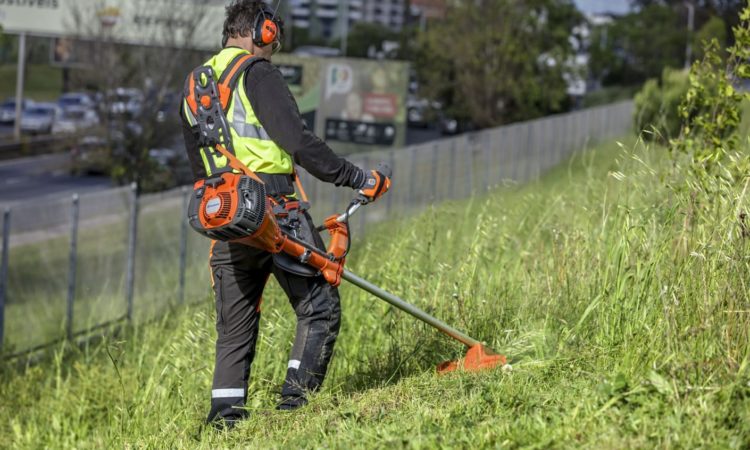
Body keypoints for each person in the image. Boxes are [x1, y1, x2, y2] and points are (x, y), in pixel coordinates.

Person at [180, 0, 390, 427]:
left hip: (228, 217)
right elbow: (297, 140)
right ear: (263, 32)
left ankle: (225, 422)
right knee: (319, 307)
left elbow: (199, 166)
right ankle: (295, 408)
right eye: (272, 39)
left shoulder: (195, 85)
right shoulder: (257, 73)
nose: (272, 49)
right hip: (276, 212)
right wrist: (357, 177)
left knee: (234, 329)